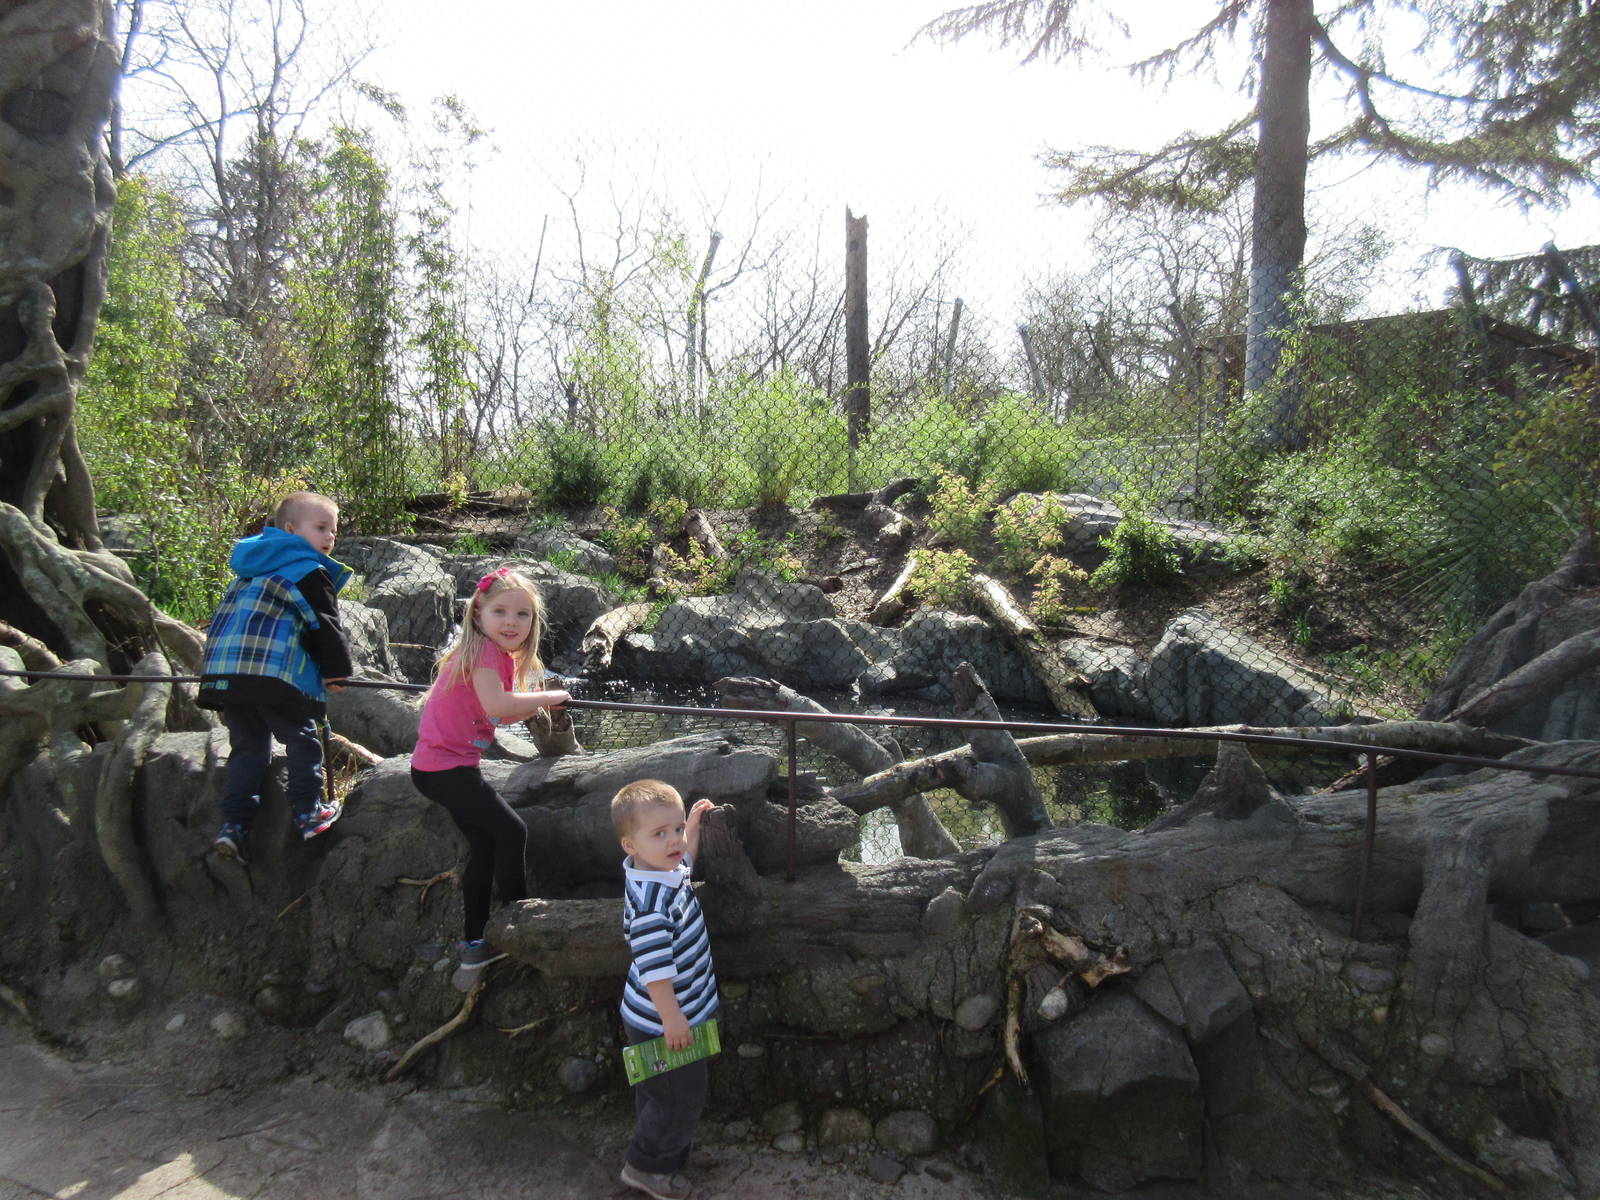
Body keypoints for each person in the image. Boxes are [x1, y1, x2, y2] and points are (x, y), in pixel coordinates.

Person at [411, 566, 569, 991]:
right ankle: (518, 920)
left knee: (484, 844)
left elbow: (497, 711)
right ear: (478, 612)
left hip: (438, 768)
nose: (511, 622)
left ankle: (475, 944)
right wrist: (553, 695)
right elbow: (499, 705)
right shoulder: (485, 653)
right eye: (501, 611)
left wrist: (534, 705)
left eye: (522, 615)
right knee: (512, 833)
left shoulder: (482, 651)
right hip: (449, 770)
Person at [198, 491, 353, 865]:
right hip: (269, 673)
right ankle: (308, 810)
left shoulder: (250, 569)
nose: (329, 537)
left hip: (226, 674)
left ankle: (234, 827)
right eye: (320, 528)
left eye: (333, 530)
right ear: (290, 529)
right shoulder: (308, 570)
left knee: (248, 748)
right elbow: (324, 624)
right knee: (302, 739)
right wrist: (335, 671)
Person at [611, 779, 719, 1200]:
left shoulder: (664, 870)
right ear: (629, 845)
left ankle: (667, 1151)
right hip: (663, 1020)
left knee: (662, 1093)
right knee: (680, 1096)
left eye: (675, 829)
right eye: (660, 834)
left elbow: (685, 860)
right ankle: (646, 1167)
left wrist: (692, 825)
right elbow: (655, 971)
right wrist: (673, 1019)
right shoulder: (651, 905)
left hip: (675, 1013)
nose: (674, 841)